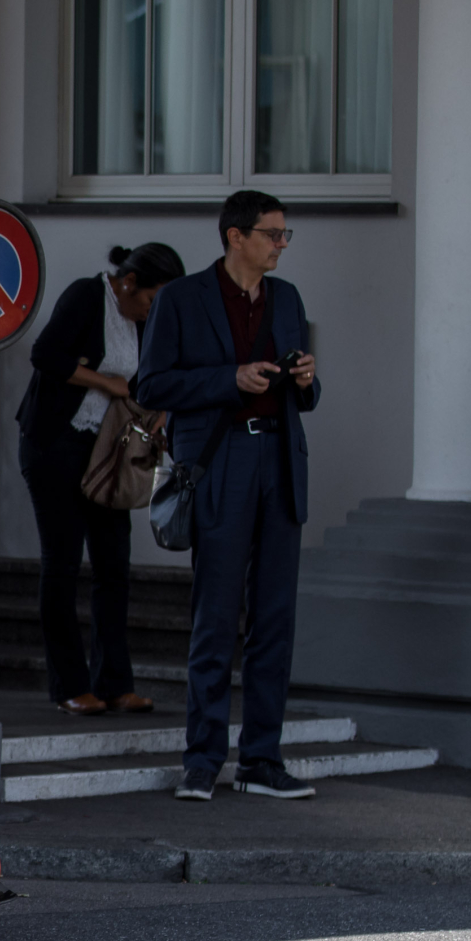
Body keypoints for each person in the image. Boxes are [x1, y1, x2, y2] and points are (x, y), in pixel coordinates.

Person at [131, 190, 321, 800]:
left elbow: (307, 398)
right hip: (220, 461)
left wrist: (307, 380)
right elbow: (151, 383)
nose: (280, 245)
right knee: (215, 616)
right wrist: (228, 379)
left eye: (285, 235)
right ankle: (203, 758)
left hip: (279, 460)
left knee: (275, 619)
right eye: (272, 234)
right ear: (236, 236)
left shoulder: (286, 299)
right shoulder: (184, 299)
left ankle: (262, 759)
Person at [16, 242, 185, 716]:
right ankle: (70, 685)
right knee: (63, 563)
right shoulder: (87, 297)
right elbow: (46, 355)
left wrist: (161, 408)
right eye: (152, 299)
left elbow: (158, 373)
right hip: (55, 444)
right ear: (129, 283)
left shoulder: (147, 317)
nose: (153, 310)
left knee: (113, 565)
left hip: (107, 453)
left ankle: (115, 683)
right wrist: (105, 382)